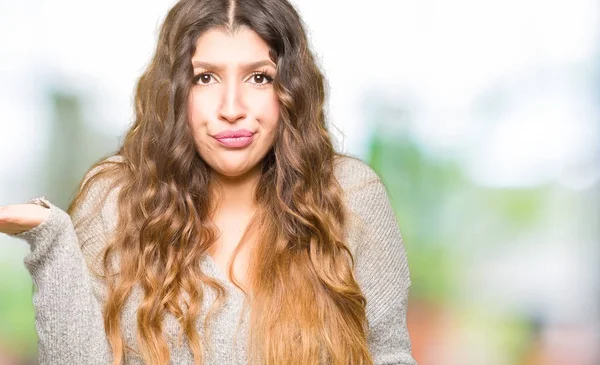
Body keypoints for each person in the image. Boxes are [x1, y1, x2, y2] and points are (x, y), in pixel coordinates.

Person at [0, 0, 417, 364]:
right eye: (205, 77)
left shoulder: (348, 195)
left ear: (291, 89)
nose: (231, 108)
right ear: (175, 92)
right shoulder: (114, 199)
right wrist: (52, 240)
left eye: (259, 77)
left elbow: (389, 357)